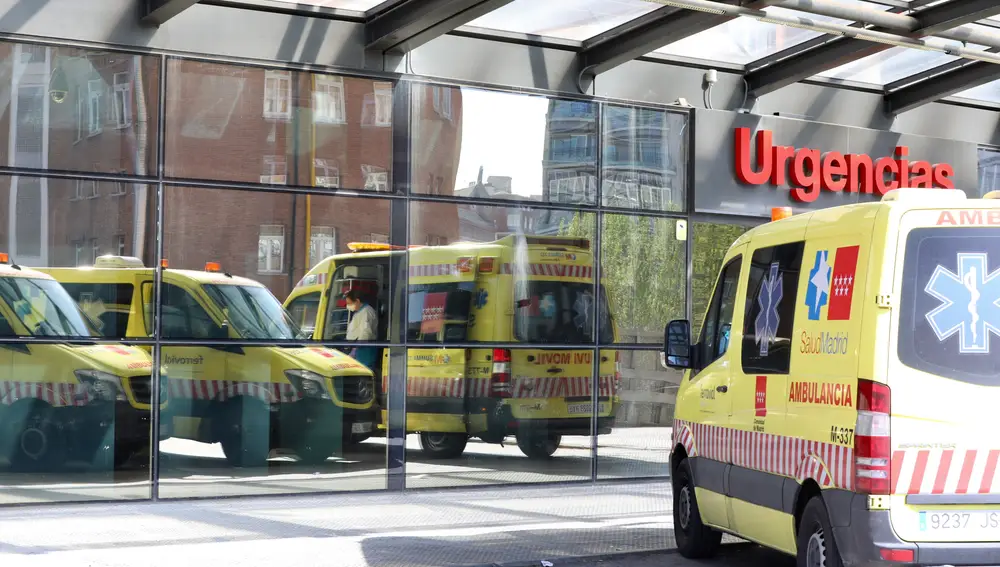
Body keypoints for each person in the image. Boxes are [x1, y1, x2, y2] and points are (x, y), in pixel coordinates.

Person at [345, 289, 378, 370]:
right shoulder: (359, 312)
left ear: (357, 301)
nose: (348, 306)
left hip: (364, 352)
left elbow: (365, 333)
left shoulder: (366, 312)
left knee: (363, 373)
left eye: (349, 303)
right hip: (359, 349)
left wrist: (355, 349)